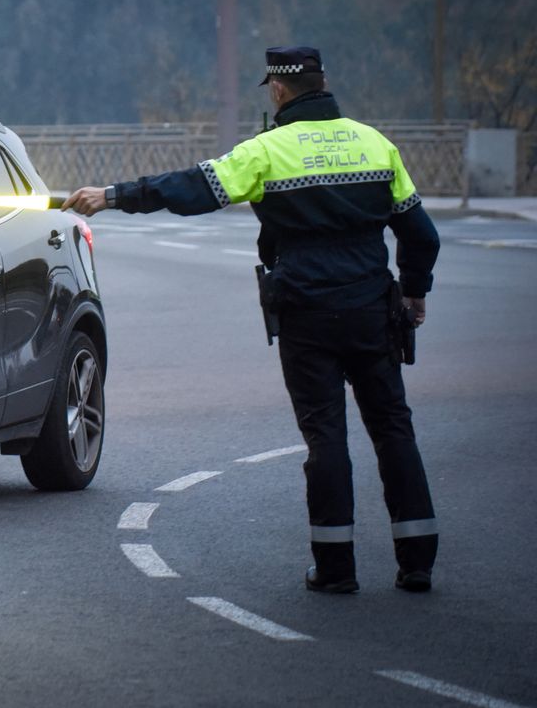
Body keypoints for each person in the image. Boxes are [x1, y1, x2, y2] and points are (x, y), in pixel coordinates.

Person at [63, 46, 442, 594]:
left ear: (280, 90)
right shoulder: (375, 144)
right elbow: (421, 234)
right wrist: (414, 293)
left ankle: (336, 568)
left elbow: (193, 188)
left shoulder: (267, 151)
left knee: (326, 437)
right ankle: (418, 562)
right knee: (393, 428)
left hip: (307, 314)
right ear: (324, 82)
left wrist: (115, 196)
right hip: (370, 310)